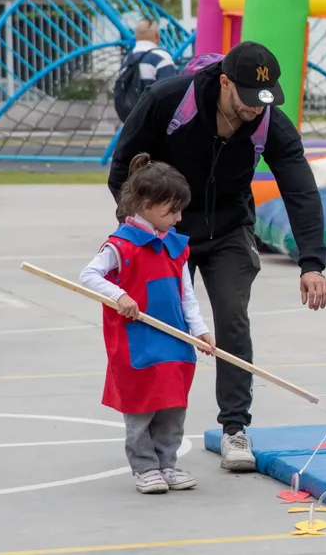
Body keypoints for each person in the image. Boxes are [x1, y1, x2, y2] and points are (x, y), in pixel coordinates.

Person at [107, 40, 326, 473]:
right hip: (164, 233)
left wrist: (311, 263)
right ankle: (155, 433)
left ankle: (235, 428)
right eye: (248, 99)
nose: (256, 110)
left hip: (229, 227)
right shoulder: (168, 100)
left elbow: (300, 189)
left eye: (265, 101)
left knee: (231, 319)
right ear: (226, 83)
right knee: (165, 327)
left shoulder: (269, 121)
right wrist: (139, 232)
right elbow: (122, 170)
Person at [81, 153, 217, 494]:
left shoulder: (175, 246)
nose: (179, 217)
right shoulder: (122, 245)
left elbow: (186, 294)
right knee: (141, 406)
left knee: (173, 405)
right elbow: (89, 276)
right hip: (137, 341)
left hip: (174, 338)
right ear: (144, 204)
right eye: (172, 211)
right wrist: (119, 295)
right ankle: (144, 468)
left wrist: (199, 329)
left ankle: (167, 464)